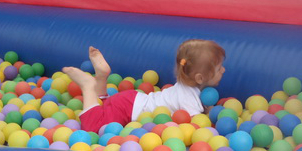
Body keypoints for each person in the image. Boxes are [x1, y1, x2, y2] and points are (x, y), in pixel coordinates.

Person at [62, 39, 226, 133]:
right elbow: (195, 128)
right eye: (219, 69)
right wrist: (210, 116)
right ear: (199, 78)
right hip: (129, 111)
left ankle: (101, 76)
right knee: (94, 127)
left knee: (103, 108)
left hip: (132, 100)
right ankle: (88, 86)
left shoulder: (186, 84)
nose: (223, 70)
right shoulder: (189, 99)